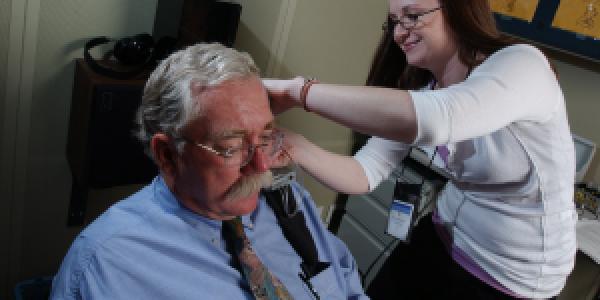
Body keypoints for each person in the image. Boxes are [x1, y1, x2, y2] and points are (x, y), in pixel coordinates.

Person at [264, 0, 576, 298]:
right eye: (394, 22)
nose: (400, 32)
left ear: (458, 9)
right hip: (442, 238)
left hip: (508, 280)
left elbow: (437, 119)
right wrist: (294, 145)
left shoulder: (523, 64)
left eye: (413, 16)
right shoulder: (424, 93)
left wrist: (299, 92)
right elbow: (363, 172)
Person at [50, 43, 368, 300]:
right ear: (168, 154)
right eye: (231, 147)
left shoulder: (289, 203)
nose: (261, 166)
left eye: (267, 137)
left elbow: (347, 286)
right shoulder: (109, 263)